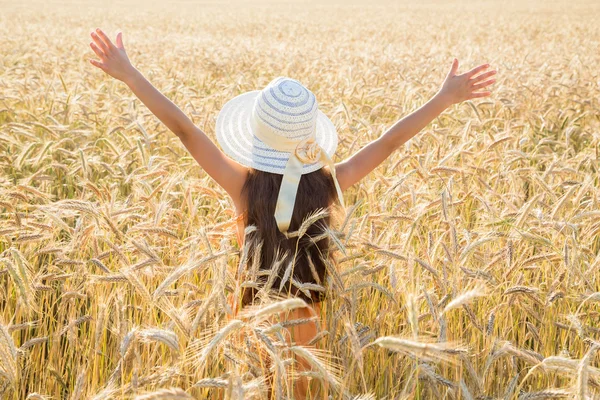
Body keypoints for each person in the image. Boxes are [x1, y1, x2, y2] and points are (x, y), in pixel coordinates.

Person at [88, 28, 496, 398]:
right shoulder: (328, 183)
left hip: (249, 311)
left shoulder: (244, 185)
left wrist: (130, 75)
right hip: (307, 310)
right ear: (308, 137)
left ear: (257, 137)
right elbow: (386, 143)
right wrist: (444, 98)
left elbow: (187, 131)